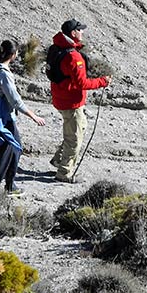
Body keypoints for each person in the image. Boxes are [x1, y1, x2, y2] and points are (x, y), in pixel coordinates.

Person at [0, 40, 47, 193]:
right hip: (4, 116)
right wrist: (33, 116)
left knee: (13, 148)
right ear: (12, 55)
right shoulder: (3, 73)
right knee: (8, 150)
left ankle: (8, 185)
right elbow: (15, 100)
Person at [47, 19, 109, 183]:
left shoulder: (57, 48)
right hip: (70, 102)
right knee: (75, 139)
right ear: (73, 33)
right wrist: (102, 81)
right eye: (80, 30)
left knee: (77, 129)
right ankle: (64, 173)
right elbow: (81, 83)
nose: (82, 33)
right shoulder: (73, 57)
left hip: (61, 98)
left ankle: (59, 160)